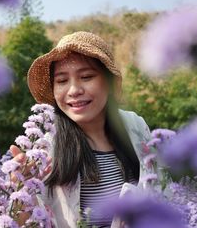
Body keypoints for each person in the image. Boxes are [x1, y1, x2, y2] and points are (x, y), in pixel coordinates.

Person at [10, 31, 154, 228]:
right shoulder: (45, 147)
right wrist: (21, 187)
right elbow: (23, 223)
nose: (74, 90)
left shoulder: (135, 126)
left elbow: (161, 192)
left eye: (86, 76)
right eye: (61, 81)